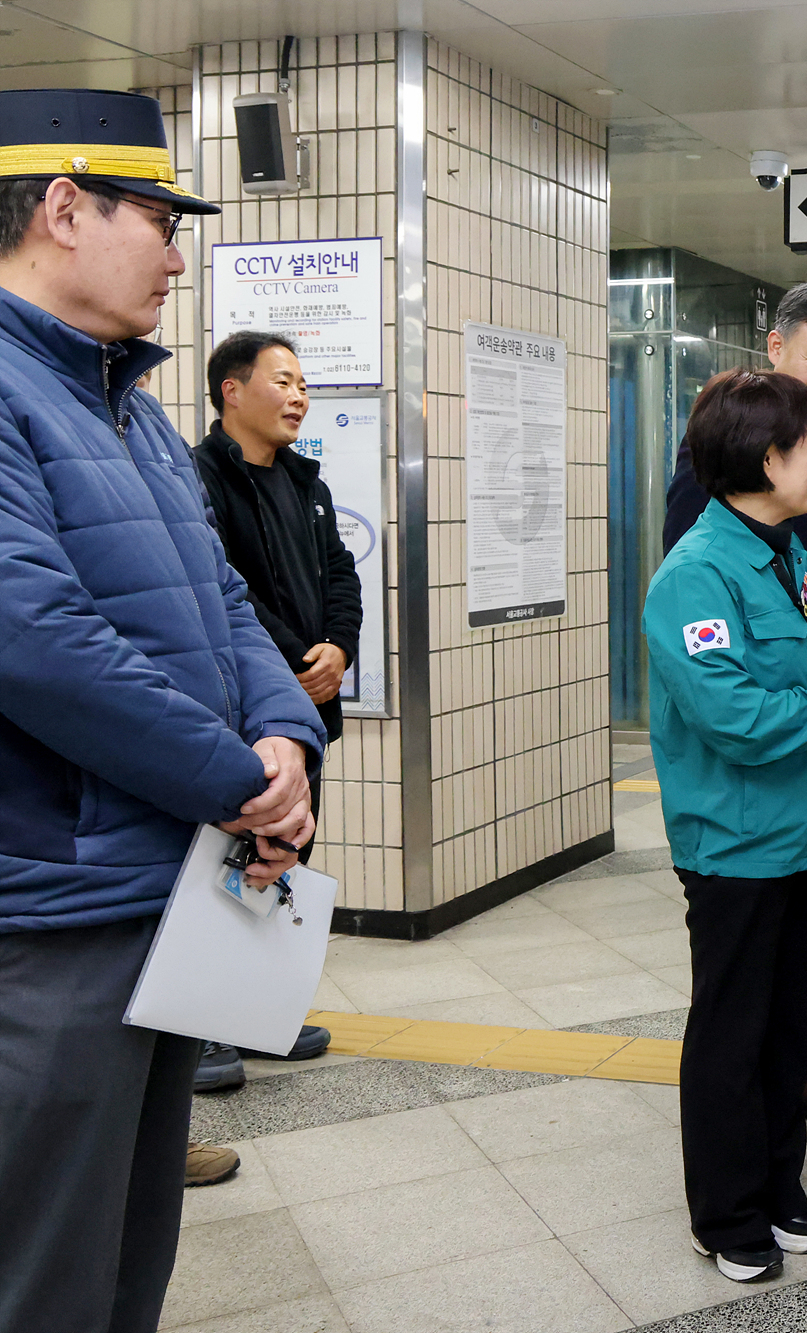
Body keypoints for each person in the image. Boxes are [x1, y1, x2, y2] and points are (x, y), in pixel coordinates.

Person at [0, 88, 324, 1332]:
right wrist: (236, 778)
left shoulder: (125, 408)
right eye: (158, 217)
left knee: (134, 1243)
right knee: (44, 1265)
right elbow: (35, 641)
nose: (179, 253)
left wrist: (283, 739)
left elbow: (225, 603)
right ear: (64, 210)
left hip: (167, 890)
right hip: (57, 910)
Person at [646, 368, 807, 1284]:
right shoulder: (696, 573)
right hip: (739, 844)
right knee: (733, 1028)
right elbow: (732, 714)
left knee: (786, 1025)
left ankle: (781, 1186)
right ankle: (726, 1211)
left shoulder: (787, 550)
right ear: (766, 456)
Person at [661, 278, 807, 1126]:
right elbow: (708, 609)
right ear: (777, 350)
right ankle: (758, 1083)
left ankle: (790, 1063)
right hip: (773, 732)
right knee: (750, 934)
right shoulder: (714, 468)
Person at [190, 330, 363, 1087]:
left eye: (303, 382)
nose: (299, 396)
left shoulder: (306, 482)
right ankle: (198, 1033)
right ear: (232, 390)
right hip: (240, 715)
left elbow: (340, 575)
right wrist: (298, 659)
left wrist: (339, 649)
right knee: (221, 868)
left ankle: (260, 1016)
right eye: (283, 381)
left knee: (286, 861)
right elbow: (228, 591)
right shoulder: (199, 478)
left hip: (303, 716)